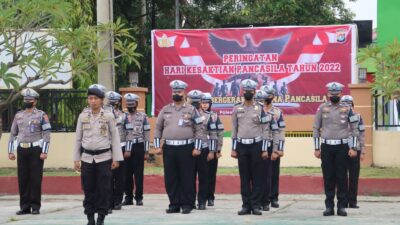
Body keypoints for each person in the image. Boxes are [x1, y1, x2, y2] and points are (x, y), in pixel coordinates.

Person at [73, 84, 123, 225]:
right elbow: (78, 138)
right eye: (90, 98)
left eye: (95, 98)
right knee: (88, 189)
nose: (92, 101)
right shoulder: (82, 116)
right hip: (87, 158)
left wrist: (117, 158)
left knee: (104, 189)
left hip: (104, 158)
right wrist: (76, 158)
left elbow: (115, 138)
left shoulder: (108, 116)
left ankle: (101, 217)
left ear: (101, 100)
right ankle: (90, 218)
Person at [154, 80, 203, 214]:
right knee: (171, 177)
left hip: (186, 148)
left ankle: (187, 204)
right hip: (169, 149)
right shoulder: (165, 109)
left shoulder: (192, 110)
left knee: (187, 177)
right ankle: (174, 203)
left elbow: (199, 129)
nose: (176, 93)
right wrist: (157, 146)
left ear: (184, 93)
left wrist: (197, 147)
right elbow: (158, 128)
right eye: (174, 91)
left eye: (179, 91)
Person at [313, 82, 359, 217]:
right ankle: (329, 206)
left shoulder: (347, 108)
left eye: (336, 94)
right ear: (328, 94)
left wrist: (354, 147)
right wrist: (316, 148)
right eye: (332, 94)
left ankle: (341, 207)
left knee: (342, 177)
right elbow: (316, 128)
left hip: (342, 147)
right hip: (326, 147)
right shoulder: (322, 108)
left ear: (341, 94)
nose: (334, 96)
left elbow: (354, 128)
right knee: (328, 177)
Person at [8, 88, 51, 215]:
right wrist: (11, 151)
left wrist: (45, 151)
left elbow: (47, 134)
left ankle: (35, 206)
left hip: (36, 150)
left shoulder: (41, 115)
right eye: (25, 99)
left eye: (30, 100)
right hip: (22, 149)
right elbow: (13, 133)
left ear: (35, 101)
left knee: (35, 178)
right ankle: (24, 206)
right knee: (23, 179)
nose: (27, 101)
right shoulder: (18, 115)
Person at [231, 79, 268, 216]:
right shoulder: (236, 108)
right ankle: (246, 205)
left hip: (256, 145)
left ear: (254, 92)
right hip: (241, 146)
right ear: (242, 91)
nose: (248, 93)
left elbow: (265, 129)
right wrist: (233, 148)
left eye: (250, 91)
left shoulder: (260, 108)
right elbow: (234, 128)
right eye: (245, 91)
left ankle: (256, 205)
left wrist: (264, 149)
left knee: (257, 177)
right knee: (244, 177)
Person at [122, 93, 150, 206]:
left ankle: (139, 197)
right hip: (126, 147)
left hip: (138, 146)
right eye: (128, 104)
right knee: (126, 173)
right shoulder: (122, 116)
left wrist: (146, 151)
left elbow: (147, 134)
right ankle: (128, 197)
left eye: (132, 104)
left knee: (138, 174)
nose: (130, 106)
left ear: (136, 104)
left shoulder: (143, 116)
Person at [261, 85, 286, 209]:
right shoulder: (257, 110)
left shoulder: (278, 112)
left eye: (268, 96)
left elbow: (281, 131)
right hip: (260, 146)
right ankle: (261, 198)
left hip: (273, 145)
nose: (265, 98)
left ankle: (273, 198)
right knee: (260, 174)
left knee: (274, 173)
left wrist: (279, 149)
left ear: (272, 97)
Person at [341, 95, 366, 209]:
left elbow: (361, 135)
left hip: (355, 148)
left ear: (353, 105)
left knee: (354, 176)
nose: (347, 105)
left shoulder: (358, 116)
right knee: (342, 176)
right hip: (341, 148)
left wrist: (363, 151)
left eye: (349, 103)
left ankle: (352, 201)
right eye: (345, 103)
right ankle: (343, 200)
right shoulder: (338, 117)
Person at [105, 91, 127, 213]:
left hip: (121, 147)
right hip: (107, 147)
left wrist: (128, 148)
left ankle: (118, 201)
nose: (112, 104)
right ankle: (108, 202)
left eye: (115, 101)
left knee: (119, 177)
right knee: (108, 176)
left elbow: (128, 133)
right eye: (110, 101)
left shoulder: (123, 116)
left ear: (118, 102)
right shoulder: (103, 114)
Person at [201, 92, 224, 207]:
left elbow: (220, 133)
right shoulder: (197, 115)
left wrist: (218, 150)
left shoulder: (215, 116)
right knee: (202, 175)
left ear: (210, 103)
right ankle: (202, 198)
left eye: (207, 103)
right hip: (202, 149)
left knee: (211, 175)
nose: (205, 105)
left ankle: (210, 197)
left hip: (213, 149)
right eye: (203, 102)